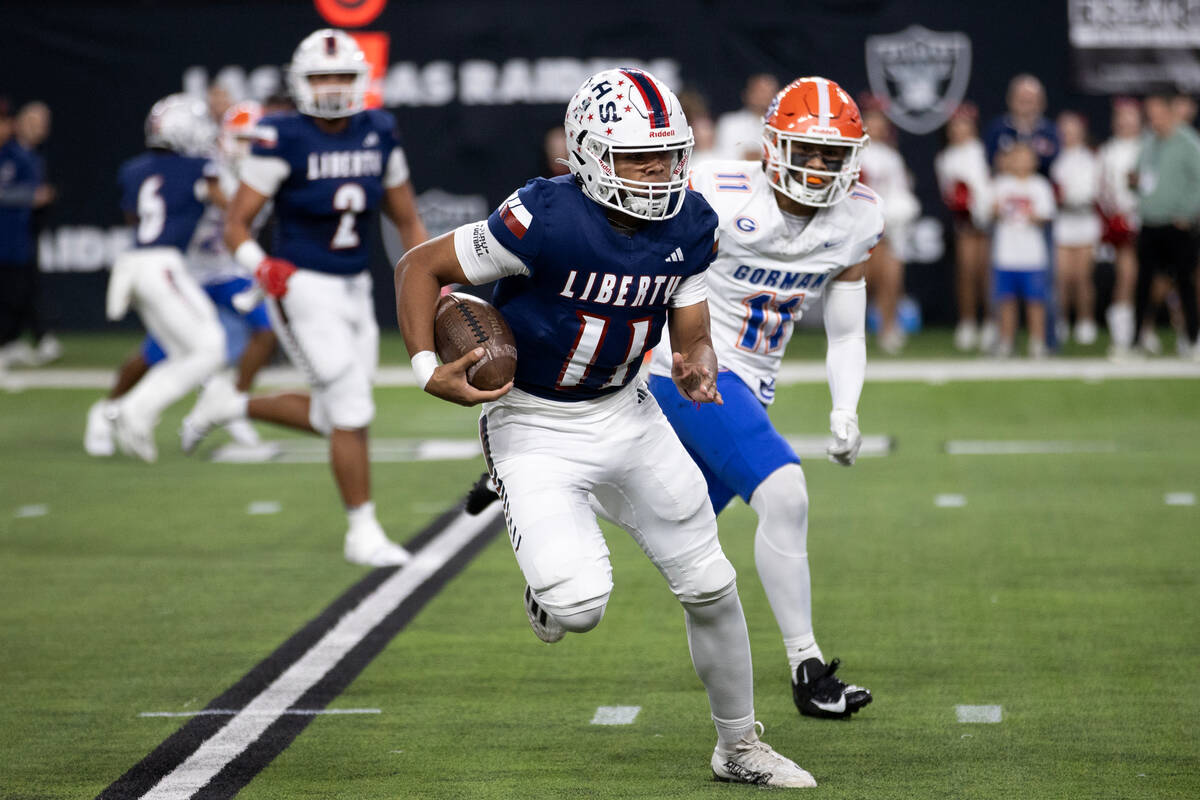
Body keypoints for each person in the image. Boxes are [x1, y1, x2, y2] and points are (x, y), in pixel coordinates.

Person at [396, 67, 817, 788]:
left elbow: (689, 325)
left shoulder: (690, 223)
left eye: (668, 153)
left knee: (711, 583)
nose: (659, 171)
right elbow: (418, 265)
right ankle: (547, 584)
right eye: (638, 156)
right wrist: (426, 364)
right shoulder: (544, 217)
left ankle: (739, 746)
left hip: (629, 410)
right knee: (579, 606)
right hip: (532, 419)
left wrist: (698, 361)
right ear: (590, 154)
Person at [644, 76, 879, 721]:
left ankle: (547, 488)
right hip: (686, 369)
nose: (822, 166)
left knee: (672, 525)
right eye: (809, 150)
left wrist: (845, 406)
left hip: (750, 385)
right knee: (785, 492)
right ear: (774, 146)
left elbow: (848, 326)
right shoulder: (715, 188)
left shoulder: (858, 218)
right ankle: (807, 668)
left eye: (835, 154)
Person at [182, 29, 430, 567]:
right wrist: (260, 265)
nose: (334, 86)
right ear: (301, 83)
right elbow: (237, 225)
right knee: (349, 403)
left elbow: (406, 217)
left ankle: (231, 402)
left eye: (342, 75)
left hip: (354, 285)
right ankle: (361, 530)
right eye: (322, 77)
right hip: (298, 284)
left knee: (338, 413)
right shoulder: (281, 136)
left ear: (361, 80)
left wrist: (432, 279)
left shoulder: (379, 131)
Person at [87, 101, 277, 457]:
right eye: (241, 140)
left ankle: (231, 403)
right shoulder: (206, 169)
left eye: (255, 141)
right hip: (186, 269)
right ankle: (111, 410)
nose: (248, 148)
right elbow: (230, 211)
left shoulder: (249, 173)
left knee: (259, 332)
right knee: (165, 350)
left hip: (223, 269)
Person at [94, 94, 227, 461]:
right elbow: (227, 205)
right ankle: (135, 410)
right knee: (211, 347)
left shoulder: (134, 170)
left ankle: (124, 412)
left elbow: (134, 219)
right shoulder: (201, 166)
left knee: (178, 351)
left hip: (134, 262)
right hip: (163, 264)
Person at [1135, 91, 1200, 356]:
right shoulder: (1148, 142)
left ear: (1170, 111)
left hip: (1178, 226)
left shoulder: (1188, 142)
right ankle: (1136, 339)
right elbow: (1141, 176)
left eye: (1157, 111)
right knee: (1143, 284)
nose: (1153, 118)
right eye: (1149, 113)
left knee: (1185, 283)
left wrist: (1187, 213)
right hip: (1150, 224)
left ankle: (1193, 338)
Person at [858, 96, 919, 354]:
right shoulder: (853, 152)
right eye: (871, 121)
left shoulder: (892, 157)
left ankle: (888, 327)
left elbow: (901, 194)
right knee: (862, 280)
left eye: (880, 122)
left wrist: (894, 217)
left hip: (889, 228)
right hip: (859, 227)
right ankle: (853, 333)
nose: (876, 126)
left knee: (891, 276)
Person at [0, 100, 55, 370]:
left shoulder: (32, 156)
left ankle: (13, 341)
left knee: (22, 289)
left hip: (22, 233)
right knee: (12, 290)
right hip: (6, 234)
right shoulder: (8, 154)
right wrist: (31, 196)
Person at [935, 102, 994, 352]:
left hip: (990, 219)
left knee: (987, 273)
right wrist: (961, 203)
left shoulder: (983, 151)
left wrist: (985, 207)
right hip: (965, 222)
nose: (959, 129)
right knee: (967, 272)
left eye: (964, 124)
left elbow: (992, 182)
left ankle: (992, 323)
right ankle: (968, 323)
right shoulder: (945, 158)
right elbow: (948, 192)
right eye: (954, 125)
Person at [990, 141, 1056, 357]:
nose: (1021, 162)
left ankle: (1037, 341)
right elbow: (989, 212)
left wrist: (1027, 213)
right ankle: (1006, 341)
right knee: (1006, 300)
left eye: (1026, 157)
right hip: (1006, 254)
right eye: (1016, 157)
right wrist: (997, 210)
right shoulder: (1000, 184)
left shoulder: (1040, 185)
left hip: (1032, 255)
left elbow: (1045, 216)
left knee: (1035, 301)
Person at [1049, 111, 1102, 346]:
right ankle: (1060, 321)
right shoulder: (1053, 158)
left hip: (1086, 221)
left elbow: (1094, 190)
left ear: (1081, 131)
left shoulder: (1092, 158)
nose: (1068, 134)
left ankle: (1085, 321)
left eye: (1073, 129)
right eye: (1064, 130)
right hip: (1062, 222)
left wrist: (1075, 196)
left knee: (1082, 277)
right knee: (1062, 277)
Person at [1096, 98, 1142, 358]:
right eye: (1121, 116)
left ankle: (1145, 331)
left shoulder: (1150, 146)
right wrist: (1115, 218)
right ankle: (1122, 337)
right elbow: (1103, 191)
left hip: (1155, 219)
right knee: (1127, 276)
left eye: (1131, 115)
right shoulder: (1108, 151)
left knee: (1161, 279)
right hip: (1124, 222)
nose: (1126, 121)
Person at [983, 74, 1059, 175]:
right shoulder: (997, 128)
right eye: (1021, 100)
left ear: (1041, 103)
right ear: (1010, 100)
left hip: (1040, 185)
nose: (1026, 106)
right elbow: (988, 159)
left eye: (1030, 101)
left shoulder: (1050, 131)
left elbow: (1056, 162)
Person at [715, 73, 779, 160]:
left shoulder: (783, 127)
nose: (765, 96)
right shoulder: (730, 123)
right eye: (761, 92)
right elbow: (721, 157)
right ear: (747, 94)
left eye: (770, 92)